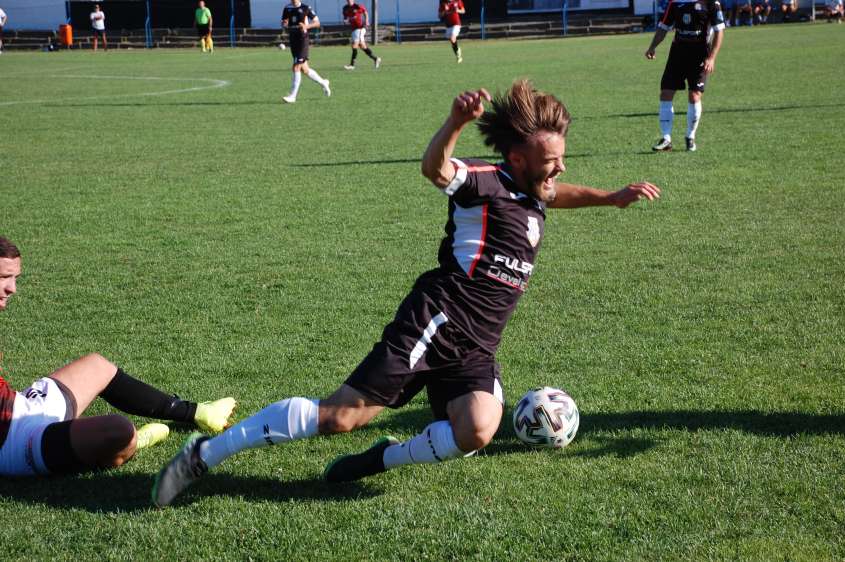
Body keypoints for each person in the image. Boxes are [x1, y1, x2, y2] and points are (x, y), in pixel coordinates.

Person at [151, 80, 660, 507]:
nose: (560, 170)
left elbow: (557, 193)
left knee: (479, 429)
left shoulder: (536, 188)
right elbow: (436, 169)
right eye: (550, 160)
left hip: (476, 344)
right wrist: (455, 122)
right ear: (516, 157)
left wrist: (611, 198)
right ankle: (204, 455)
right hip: (434, 323)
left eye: (561, 158)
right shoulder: (485, 183)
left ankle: (382, 458)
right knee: (339, 417)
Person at [0, 236, 236, 477]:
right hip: (11, 445)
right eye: (3, 278)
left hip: (21, 408)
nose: (12, 288)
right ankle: (132, 443)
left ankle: (198, 412)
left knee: (97, 366)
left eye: (14, 278)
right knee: (118, 430)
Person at [645, 0, 725, 152]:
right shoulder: (675, 2)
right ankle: (666, 139)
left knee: (694, 95)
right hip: (678, 53)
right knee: (666, 93)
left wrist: (712, 57)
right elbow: (663, 27)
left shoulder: (711, 3)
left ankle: (690, 136)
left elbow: (719, 30)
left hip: (700, 54)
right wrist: (652, 47)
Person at [281, 0, 331, 104]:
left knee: (296, 67)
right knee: (305, 69)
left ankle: (293, 96)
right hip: (293, 40)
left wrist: (306, 26)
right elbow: (284, 22)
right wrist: (284, 24)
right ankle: (323, 82)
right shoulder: (287, 8)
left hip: (302, 40)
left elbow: (317, 22)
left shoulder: (305, 8)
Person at [342, 0, 381, 70]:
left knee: (354, 45)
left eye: (350, 0)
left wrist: (366, 21)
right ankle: (376, 59)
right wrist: (345, 21)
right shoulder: (345, 8)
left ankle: (352, 65)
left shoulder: (358, 6)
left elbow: (365, 12)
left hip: (360, 28)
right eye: (347, 0)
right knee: (362, 46)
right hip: (354, 29)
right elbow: (345, 18)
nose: (349, 1)